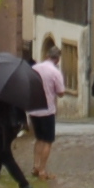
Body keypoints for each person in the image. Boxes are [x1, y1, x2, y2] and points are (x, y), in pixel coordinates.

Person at [29, 38, 65, 180]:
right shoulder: (55, 72)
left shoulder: (34, 68)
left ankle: (35, 166)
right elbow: (61, 92)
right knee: (47, 141)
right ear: (58, 59)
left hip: (34, 109)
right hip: (47, 110)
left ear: (47, 55)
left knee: (38, 139)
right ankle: (43, 170)